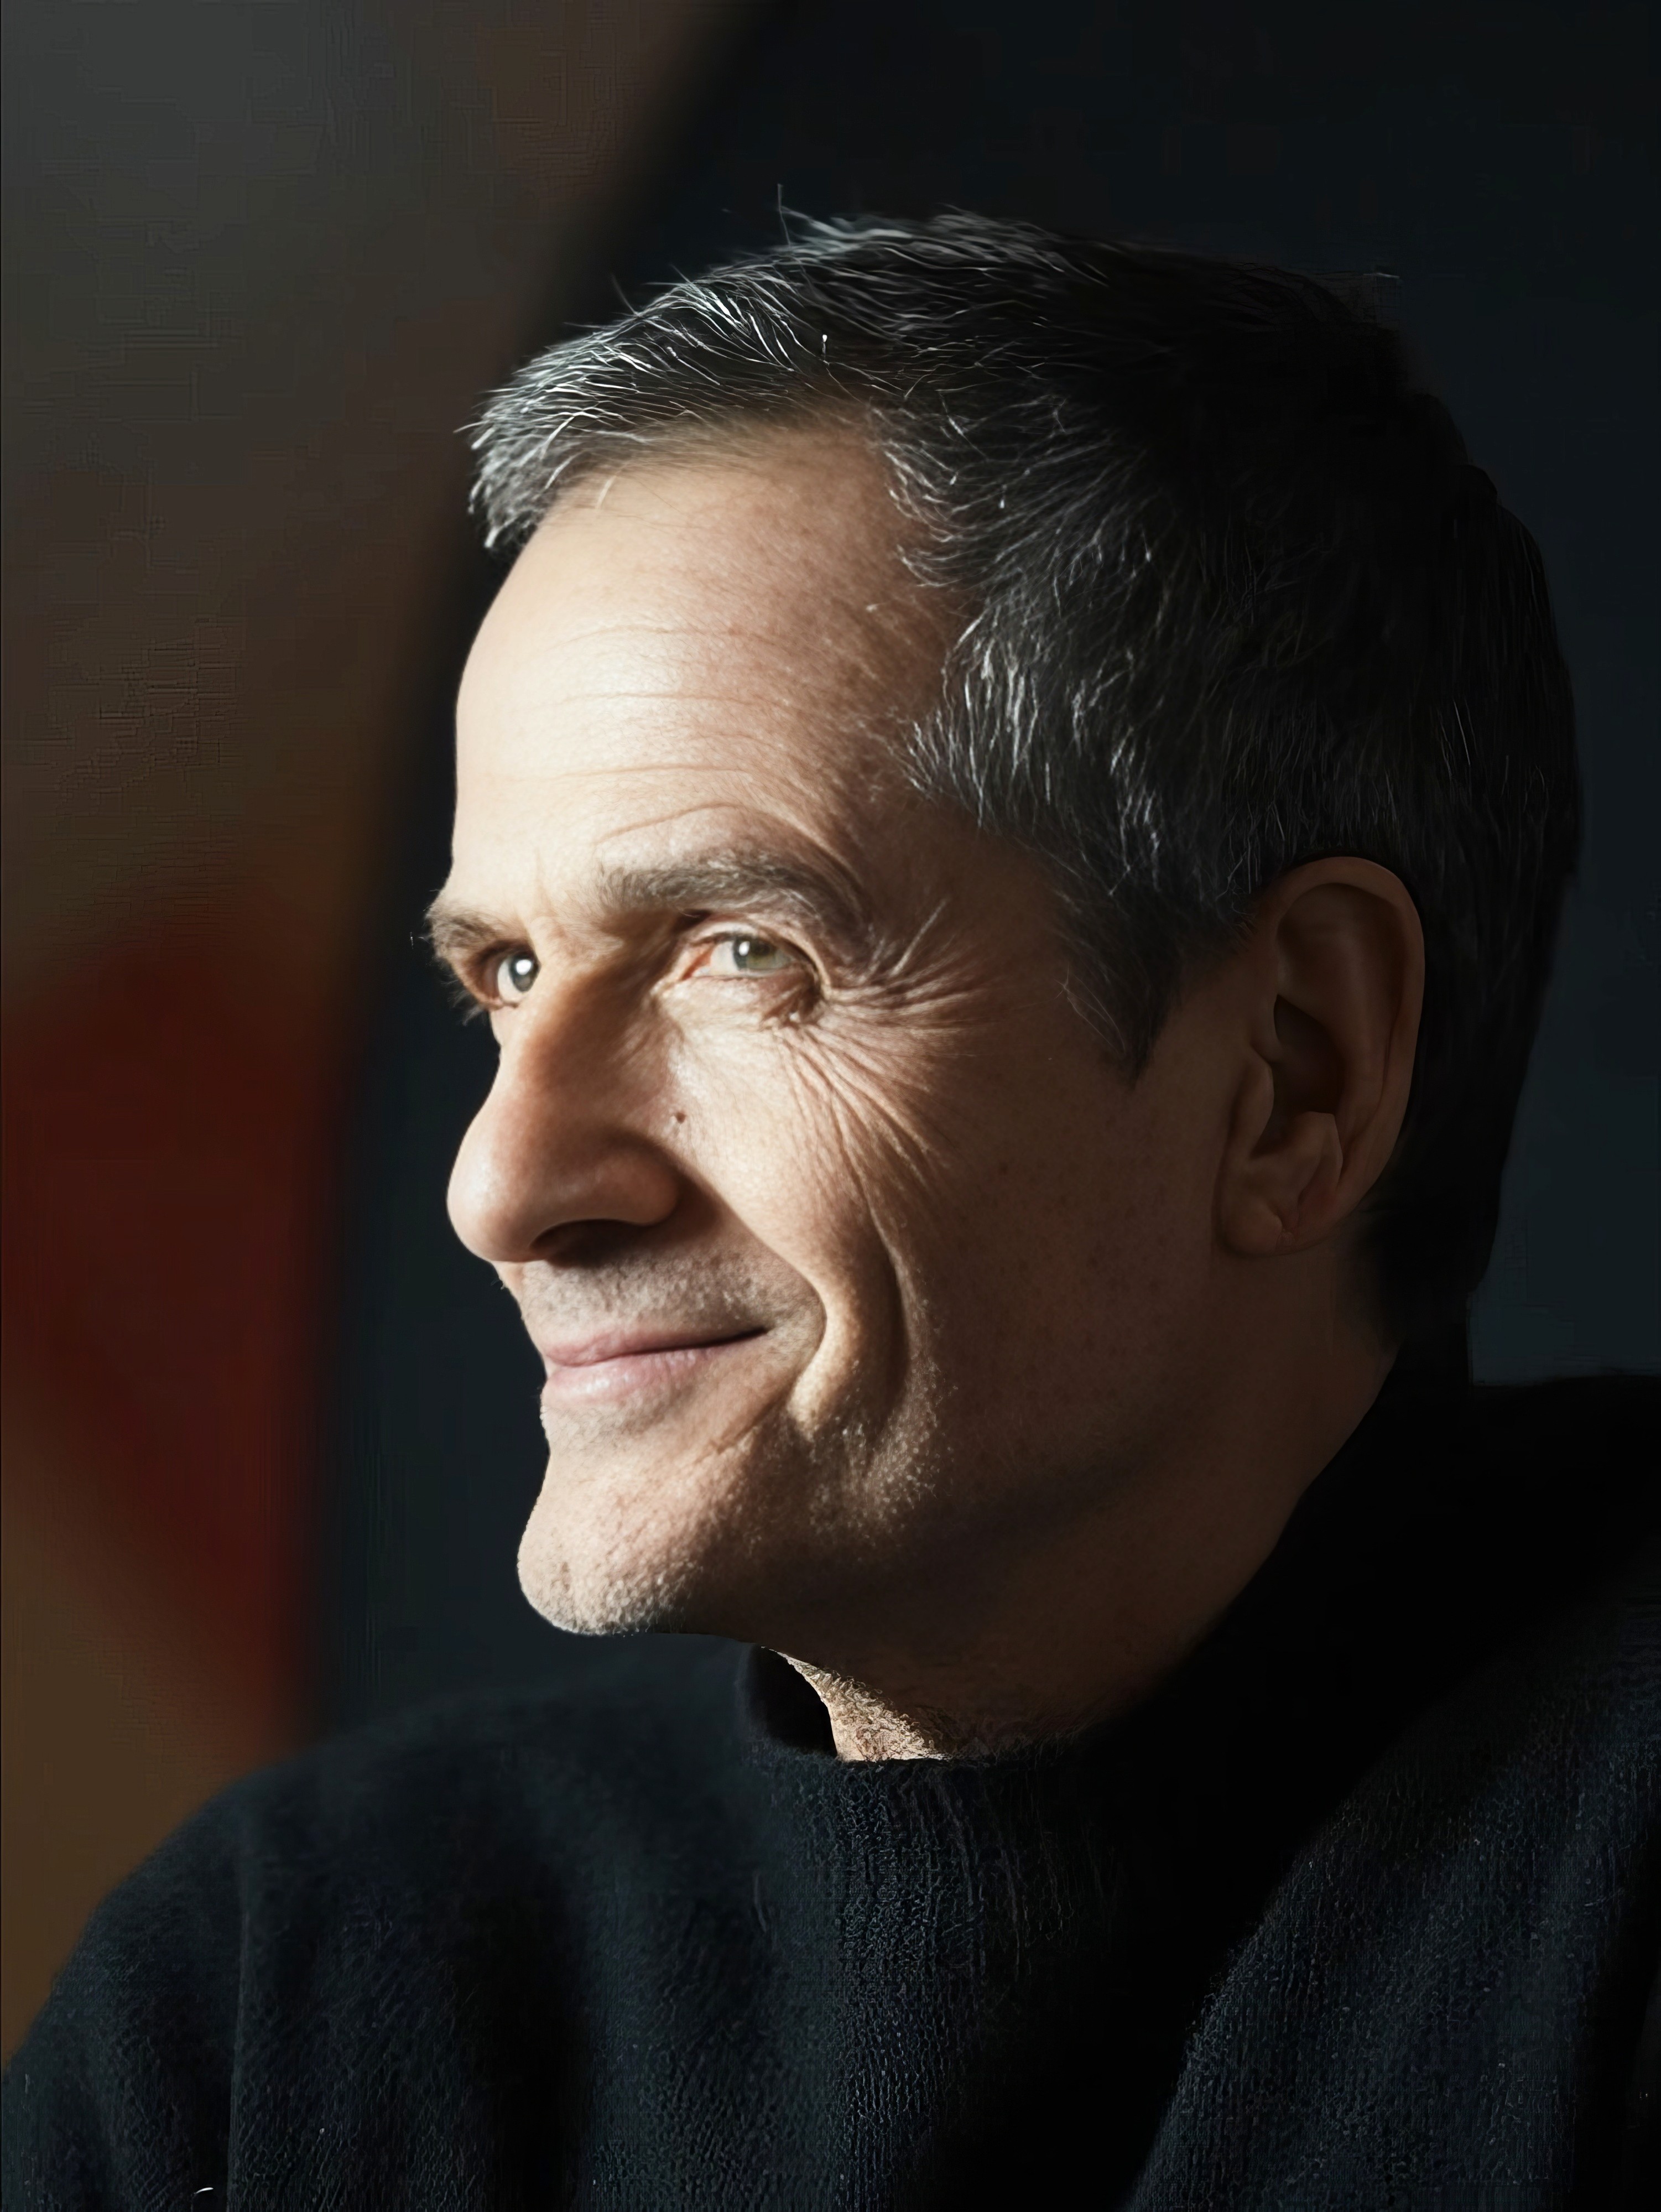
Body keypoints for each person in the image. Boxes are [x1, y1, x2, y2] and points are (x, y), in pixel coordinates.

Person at [4, 212, 1656, 2208]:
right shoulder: (276, 2004)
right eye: (506, 975)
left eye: (735, 951)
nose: (502, 1186)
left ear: (1293, 1065)